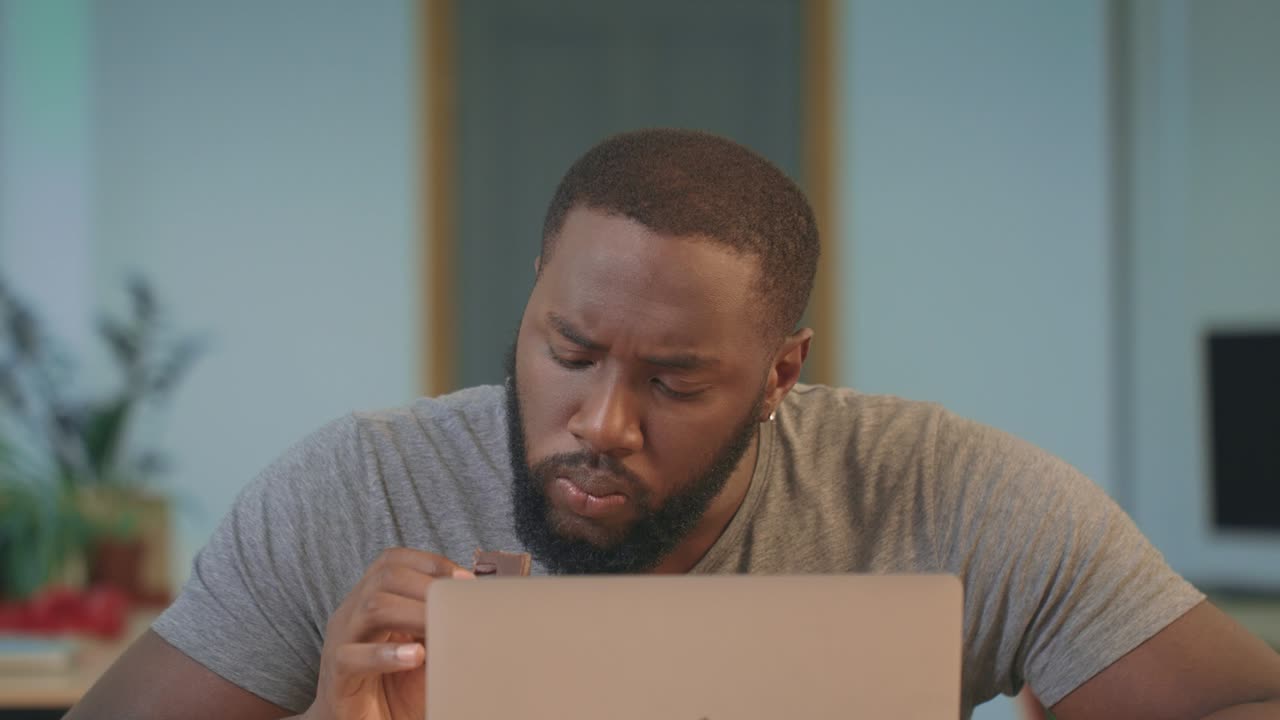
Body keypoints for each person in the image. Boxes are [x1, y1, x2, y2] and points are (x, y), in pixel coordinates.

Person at [69, 129, 1280, 720]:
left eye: (676, 382)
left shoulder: (949, 492)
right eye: (569, 351)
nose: (599, 422)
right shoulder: (356, 485)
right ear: (532, 294)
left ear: (779, 373)